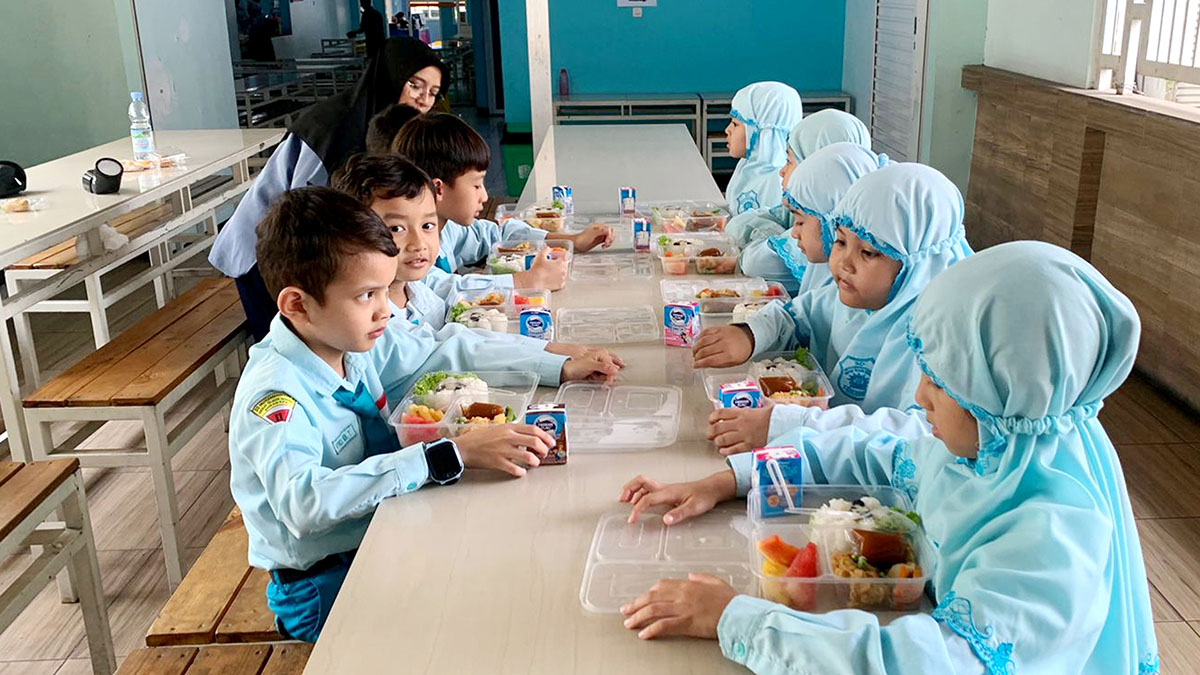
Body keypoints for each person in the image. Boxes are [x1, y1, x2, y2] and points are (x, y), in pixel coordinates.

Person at [616, 241, 1158, 675]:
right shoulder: (980, 454)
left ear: (1005, 402)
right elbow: (871, 454)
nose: (920, 397)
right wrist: (730, 479)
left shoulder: (1054, 539)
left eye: (940, 384)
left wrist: (740, 621)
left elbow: (930, 662)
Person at [229, 186, 617, 642]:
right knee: (481, 620)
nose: (384, 311)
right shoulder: (276, 395)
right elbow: (305, 504)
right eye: (366, 295)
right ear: (297, 304)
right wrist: (445, 455)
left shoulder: (345, 341)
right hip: (324, 582)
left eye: (384, 291)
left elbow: (440, 353)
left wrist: (555, 362)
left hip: (385, 532)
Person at [695, 164, 972, 452]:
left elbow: (916, 435)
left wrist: (789, 426)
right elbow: (795, 317)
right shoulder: (850, 298)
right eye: (840, 241)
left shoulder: (937, 339)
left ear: (916, 265)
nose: (843, 263)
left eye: (868, 252)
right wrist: (750, 334)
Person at [210, 37, 448, 341]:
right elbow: (300, 210)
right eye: (415, 85)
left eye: (433, 93)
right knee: (289, 342)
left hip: (304, 250)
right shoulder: (336, 126)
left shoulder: (381, 126)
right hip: (265, 250)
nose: (423, 99)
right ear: (390, 76)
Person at [329, 152, 625, 374]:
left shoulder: (417, 290)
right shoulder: (372, 320)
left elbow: (458, 336)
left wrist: (550, 349)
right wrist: (555, 364)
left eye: (429, 226)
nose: (419, 243)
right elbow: (447, 352)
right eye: (396, 229)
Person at [390, 113, 613, 292]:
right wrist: (526, 281)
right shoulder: (406, 247)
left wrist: (571, 241)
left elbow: (497, 234)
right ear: (438, 189)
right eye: (476, 185)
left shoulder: (448, 228)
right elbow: (440, 288)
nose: (485, 197)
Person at [729, 109, 874, 293]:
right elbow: (737, 226)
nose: (781, 171)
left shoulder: (829, 229)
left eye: (789, 161)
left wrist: (770, 236)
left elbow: (755, 262)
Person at [781, 142, 889, 297]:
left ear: (831, 219)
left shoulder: (854, 284)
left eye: (800, 222)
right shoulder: (821, 263)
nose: (794, 234)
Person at [724, 82, 803, 215]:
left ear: (764, 132)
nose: (727, 130)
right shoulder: (748, 167)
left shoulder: (778, 182)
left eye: (735, 124)